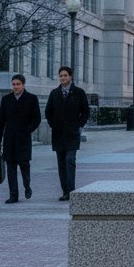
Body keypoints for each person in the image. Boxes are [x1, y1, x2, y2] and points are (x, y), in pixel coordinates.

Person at [0, 73, 42, 204]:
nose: (15, 86)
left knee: (24, 165)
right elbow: (0, 121)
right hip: (9, 139)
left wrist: (28, 130)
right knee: (11, 168)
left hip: (24, 139)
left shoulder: (31, 98)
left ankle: (27, 186)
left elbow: (37, 118)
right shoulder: (6, 99)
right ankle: (13, 195)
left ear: (23, 85)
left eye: (18, 84)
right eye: (14, 84)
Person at [45, 66, 90, 201]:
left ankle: (71, 190)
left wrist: (79, 125)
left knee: (70, 160)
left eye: (65, 75)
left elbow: (85, 111)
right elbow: (48, 112)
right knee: (61, 163)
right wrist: (53, 124)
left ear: (70, 77)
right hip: (58, 134)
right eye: (61, 76)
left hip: (72, 133)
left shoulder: (79, 93)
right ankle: (65, 191)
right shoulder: (54, 93)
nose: (63, 78)